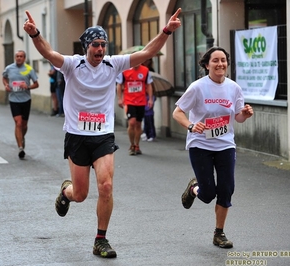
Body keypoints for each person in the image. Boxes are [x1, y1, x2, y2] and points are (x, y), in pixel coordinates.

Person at [23, 8, 181, 258]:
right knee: (81, 194)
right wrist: (35, 35)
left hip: (103, 135)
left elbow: (148, 52)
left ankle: (101, 239)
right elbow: (49, 53)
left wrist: (166, 30)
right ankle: (66, 193)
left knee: (106, 186)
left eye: (103, 45)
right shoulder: (73, 65)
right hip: (76, 135)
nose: (100, 49)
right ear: (87, 46)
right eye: (96, 45)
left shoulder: (113, 64)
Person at [172, 46, 254, 249]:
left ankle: (219, 233)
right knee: (208, 194)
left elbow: (238, 117)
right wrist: (191, 125)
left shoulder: (234, 88)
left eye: (223, 60)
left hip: (225, 144)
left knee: (226, 189)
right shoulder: (198, 87)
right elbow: (178, 112)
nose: (220, 64)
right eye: (215, 60)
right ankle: (194, 188)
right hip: (200, 144)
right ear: (207, 64)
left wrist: (245, 113)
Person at [2, 50, 39, 159]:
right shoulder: (9, 68)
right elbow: (4, 77)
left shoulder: (29, 69)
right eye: (17, 56)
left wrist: (27, 87)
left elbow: (36, 84)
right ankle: (20, 148)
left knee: (24, 125)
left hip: (26, 99)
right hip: (14, 99)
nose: (19, 58)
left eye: (21, 56)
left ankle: (21, 138)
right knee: (18, 123)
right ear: (15, 57)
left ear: (24, 58)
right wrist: (6, 85)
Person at [116, 65, 154, 155]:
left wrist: (151, 99)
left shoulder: (145, 70)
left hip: (141, 101)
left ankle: (137, 145)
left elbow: (149, 85)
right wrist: (119, 99)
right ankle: (132, 144)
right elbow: (119, 84)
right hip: (129, 101)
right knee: (132, 122)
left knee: (138, 124)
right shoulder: (124, 70)